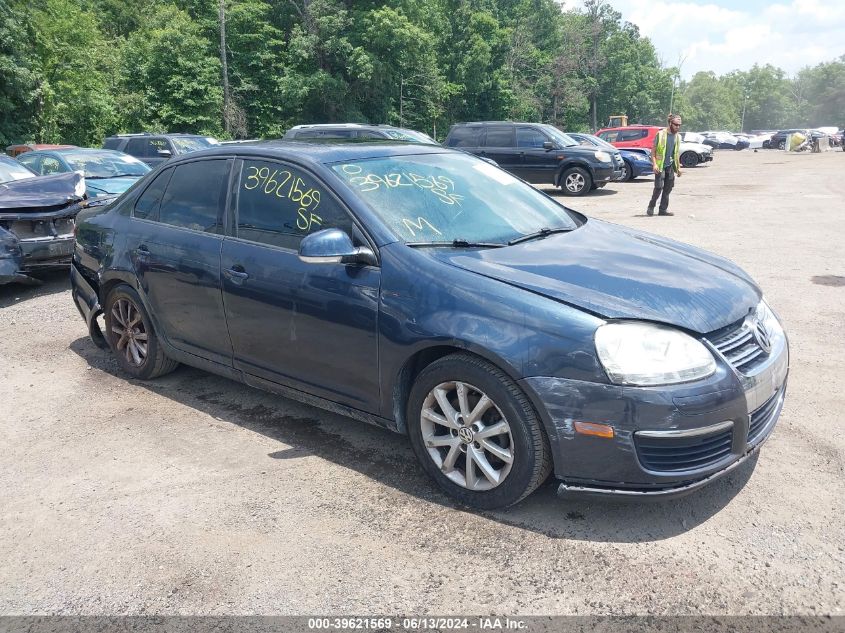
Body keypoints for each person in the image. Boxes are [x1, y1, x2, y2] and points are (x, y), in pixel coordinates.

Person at [647, 114, 683, 216]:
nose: (678, 127)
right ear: (670, 123)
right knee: (659, 187)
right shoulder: (661, 134)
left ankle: (662, 210)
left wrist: (678, 168)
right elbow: (653, 151)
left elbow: (675, 153)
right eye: (676, 124)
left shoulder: (677, 137)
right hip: (660, 165)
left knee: (668, 188)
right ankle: (651, 206)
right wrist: (654, 165)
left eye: (679, 125)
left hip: (670, 166)